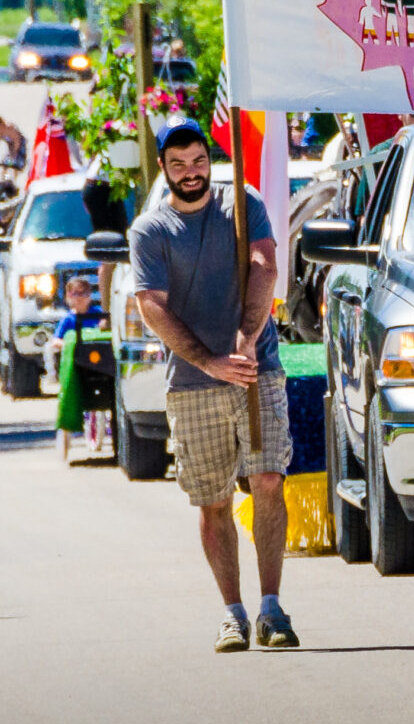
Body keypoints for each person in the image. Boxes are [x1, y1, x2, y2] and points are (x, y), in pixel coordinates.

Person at [126, 120, 297, 652]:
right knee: (213, 501)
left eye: (198, 161)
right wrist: (208, 360)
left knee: (268, 480)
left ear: (209, 159)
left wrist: (247, 340)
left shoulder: (241, 202)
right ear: (165, 169)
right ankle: (233, 612)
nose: (191, 173)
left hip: (256, 368)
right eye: (178, 165)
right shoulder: (150, 231)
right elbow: (151, 306)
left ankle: (272, 608)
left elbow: (265, 264)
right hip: (192, 382)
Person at [52, 275, 110, 461]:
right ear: (68, 297)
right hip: (76, 364)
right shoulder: (68, 320)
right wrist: (67, 343)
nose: (79, 297)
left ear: (90, 295)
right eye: (74, 293)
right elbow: (56, 341)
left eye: (83, 293)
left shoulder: (98, 314)